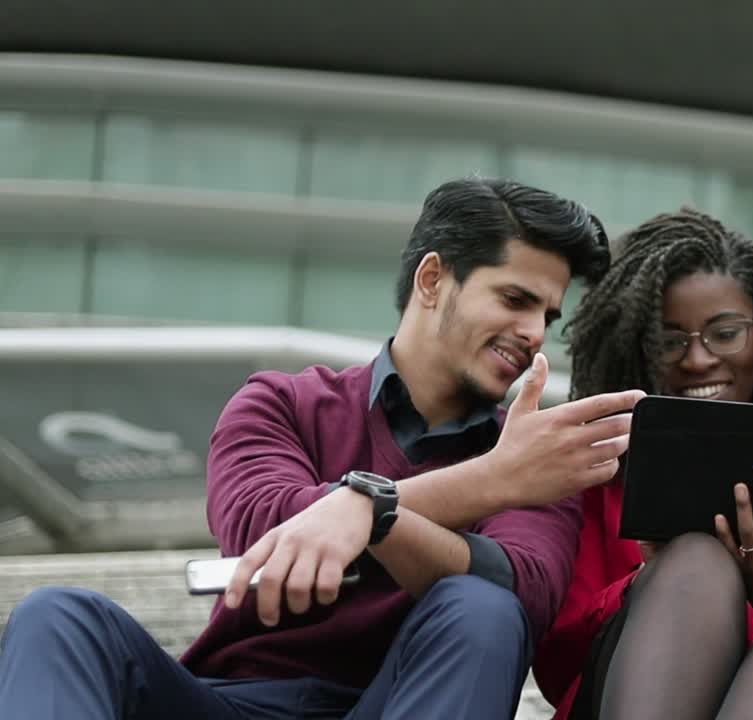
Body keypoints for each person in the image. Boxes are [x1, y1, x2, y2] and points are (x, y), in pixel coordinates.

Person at [0, 177, 646, 720]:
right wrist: (426, 496)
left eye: (548, 317)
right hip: (226, 704)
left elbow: (522, 594)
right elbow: (265, 537)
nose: (534, 334)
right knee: (59, 615)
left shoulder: (537, 456)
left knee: (480, 607)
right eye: (514, 299)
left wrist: (366, 512)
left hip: (403, 702)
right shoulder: (281, 403)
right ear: (432, 280)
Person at [534, 208, 753, 720]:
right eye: (669, 340)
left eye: (725, 333)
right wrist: (653, 582)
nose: (698, 359)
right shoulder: (596, 472)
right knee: (696, 562)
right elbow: (557, 666)